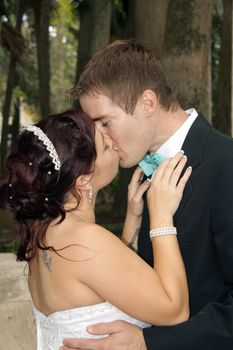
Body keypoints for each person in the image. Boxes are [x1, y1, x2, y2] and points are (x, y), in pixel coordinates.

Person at [62, 39, 233, 350]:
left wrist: (149, 342)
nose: (100, 139)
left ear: (148, 103)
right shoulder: (142, 175)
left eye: (105, 122)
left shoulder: (226, 165)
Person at [0, 109, 191, 350]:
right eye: (106, 146)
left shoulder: (43, 229)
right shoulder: (83, 240)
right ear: (83, 180)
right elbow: (175, 310)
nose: (113, 140)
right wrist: (161, 217)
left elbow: (103, 278)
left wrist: (133, 217)